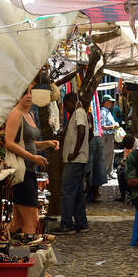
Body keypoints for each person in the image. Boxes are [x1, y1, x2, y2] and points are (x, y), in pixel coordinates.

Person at [4, 87, 58, 241]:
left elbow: (29, 142)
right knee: (32, 220)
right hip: (22, 173)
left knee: (19, 221)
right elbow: (9, 142)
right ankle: (28, 251)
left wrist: (46, 143)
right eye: (24, 93)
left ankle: (8, 246)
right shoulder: (15, 114)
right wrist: (33, 158)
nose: (28, 96)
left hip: (29, 171)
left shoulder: (30, 114)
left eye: (30, 93)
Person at [50, 91, 90, 234]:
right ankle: (81, 222)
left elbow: (82, 131)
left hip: (75, 159)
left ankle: (67, 224)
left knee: (67, 191)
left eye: (67, 106)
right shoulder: (80, 113)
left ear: (72, 102)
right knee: (77, 192)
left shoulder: (79, 112)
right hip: (78, 159)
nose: (66, 109)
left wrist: (75, 151)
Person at [115, 133, 136, 202]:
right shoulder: (129, 146)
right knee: (120, 173)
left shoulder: (137, 148)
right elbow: (126, 158)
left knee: (123, 174)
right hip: (131, 166)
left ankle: (130, 193)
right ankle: (123, 195)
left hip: (136, 168)